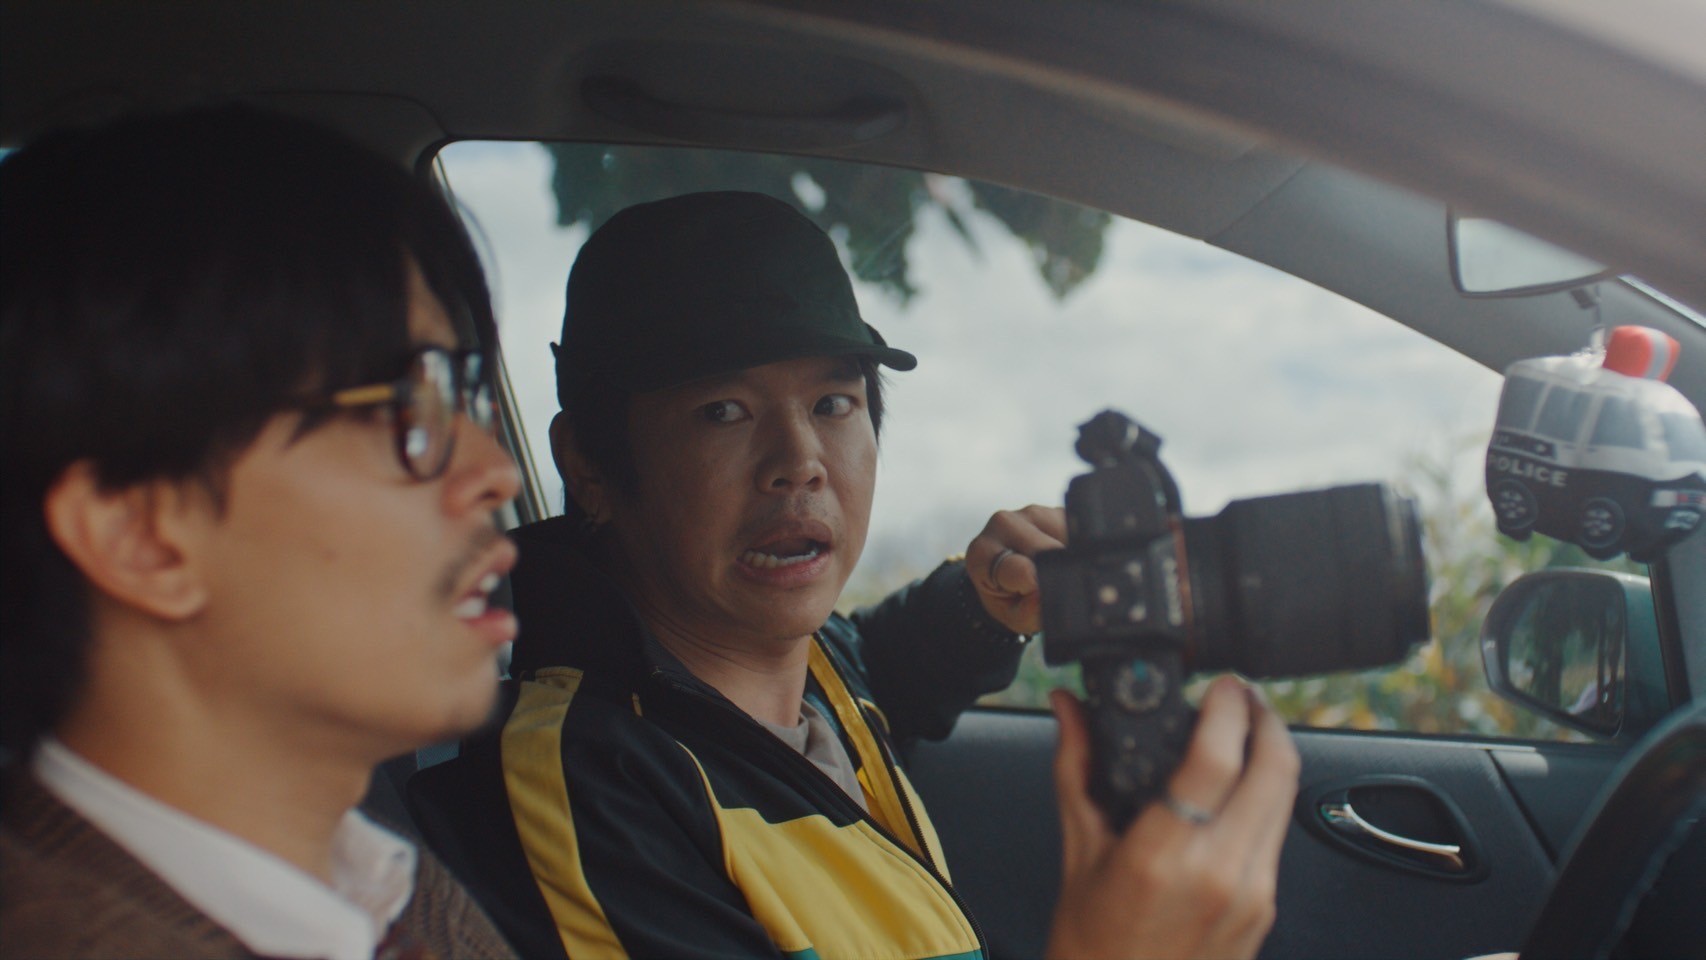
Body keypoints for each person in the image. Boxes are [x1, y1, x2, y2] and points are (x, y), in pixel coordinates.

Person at [414, 191, 1299, 959]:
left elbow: (884, 663)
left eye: (833, 403)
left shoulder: (813, 673)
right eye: (724, 412)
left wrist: (987, 600)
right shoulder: (584, 787)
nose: (799, 462)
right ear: (590, 465)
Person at [0, 105, 520, 959]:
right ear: (141, 538)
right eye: (402, 406)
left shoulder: (380, 885)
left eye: (455, 393)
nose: (496, 470)